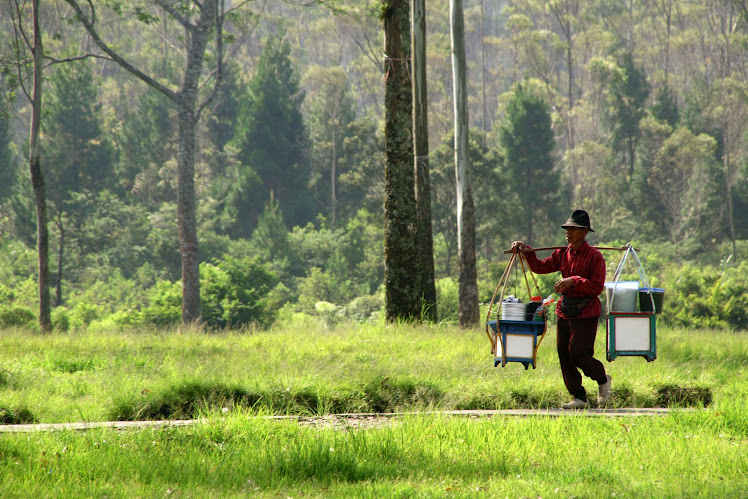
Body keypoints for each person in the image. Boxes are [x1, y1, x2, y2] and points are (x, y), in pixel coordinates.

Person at [511, 209, 611, 409]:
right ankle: (579, 397)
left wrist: (573, 281)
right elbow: (539, 267)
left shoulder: (595, 257)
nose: (568, 232)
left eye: (573, 229)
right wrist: (526, 250)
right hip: (565, 310)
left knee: (578, 353)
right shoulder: (562, 254)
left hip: (586, 311)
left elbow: (597, 287)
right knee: (564, 354)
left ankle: (602, 379)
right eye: (567, 229)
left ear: (584, 232)